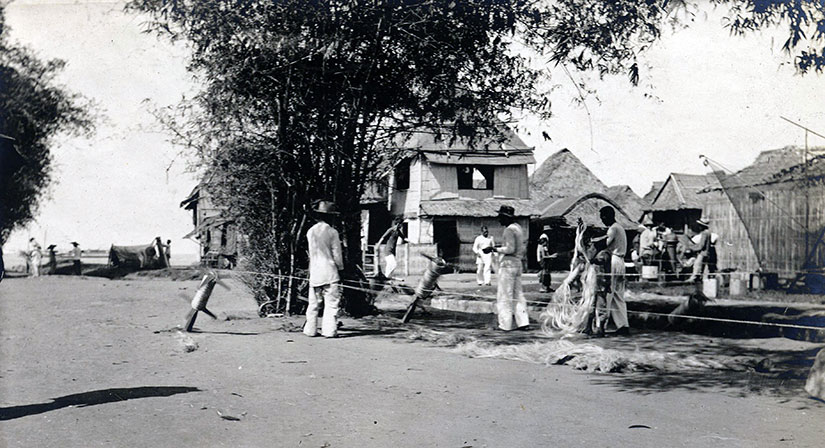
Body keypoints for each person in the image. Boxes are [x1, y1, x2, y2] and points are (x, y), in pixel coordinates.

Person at [304, 200, 344, 338]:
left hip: (315, 271)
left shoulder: (311, 232)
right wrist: (340, 268)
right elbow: (336, 253)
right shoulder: (332, 232)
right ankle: (329, 330)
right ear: (330, 216)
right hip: (330, 271)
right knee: (332, 303)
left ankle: (310, 330)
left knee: (313, 303)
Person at [489, 205, 529, 331]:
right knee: (518, 294)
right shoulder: (518, 228)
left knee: (504, 295)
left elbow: (510, 249)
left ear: (506, 217)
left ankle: (505, 325)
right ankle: (523, 322)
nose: (499, 219)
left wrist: (494, 249)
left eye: (501, 217)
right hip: (517, 263)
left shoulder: (509, 230)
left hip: (508, 264)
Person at [591, 206, 629, 336]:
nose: (602, 220)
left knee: (607, 294)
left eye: (603, 217)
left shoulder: (613, 229)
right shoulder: (620, 228)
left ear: (607, 216)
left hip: (613, 261)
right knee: (618, 295)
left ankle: (600, 326)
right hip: (620, 262)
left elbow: (604, 244)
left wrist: (592, 241)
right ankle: (623, 325)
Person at [536, 226, 556, 293]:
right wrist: (551, 256)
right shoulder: (544, 237)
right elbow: (544, 254)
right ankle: (544, 287)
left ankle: (546, 287)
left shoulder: (545, 237)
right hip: (542, 259)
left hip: (543, 258)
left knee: (546, 272)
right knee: (544, 273)